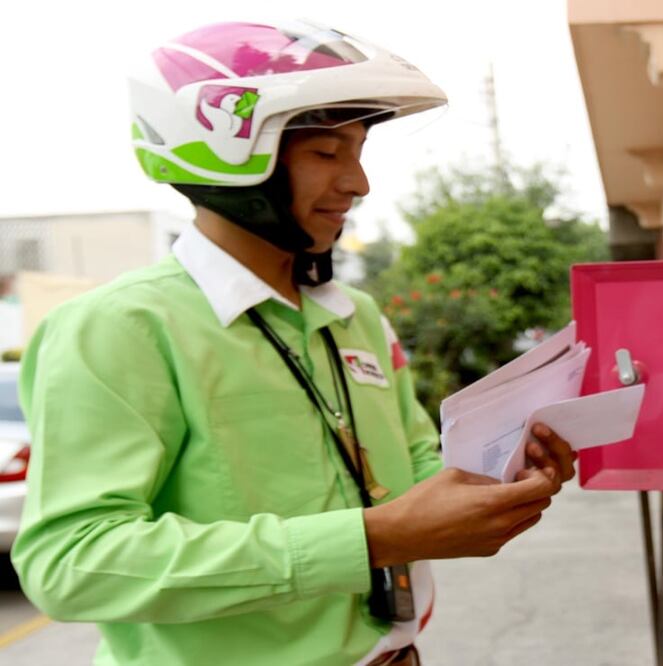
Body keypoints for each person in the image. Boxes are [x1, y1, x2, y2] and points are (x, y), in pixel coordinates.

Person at [13, 20, 576, 666]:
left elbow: (416, 465)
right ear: (222, 152)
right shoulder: (120, 327)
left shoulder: (357, 316)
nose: (359, 183)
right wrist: (370, 539)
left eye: (359, 152)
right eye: (327, 153)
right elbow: (72, 563)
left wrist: (501, 473)